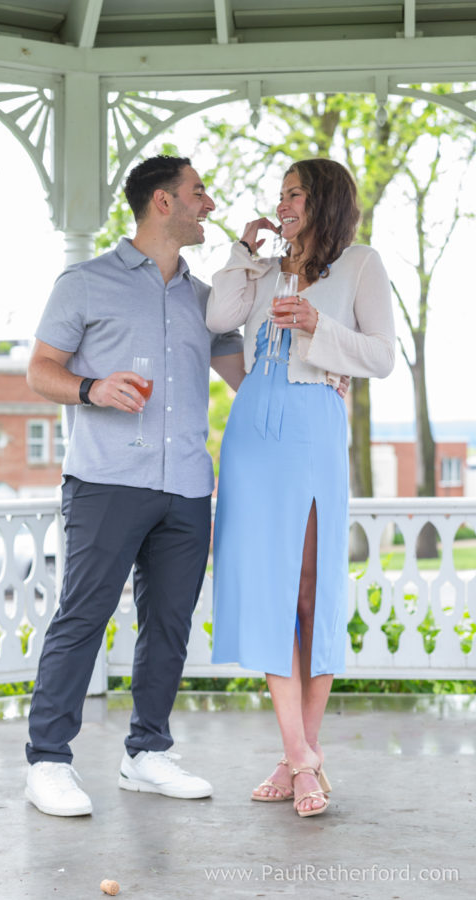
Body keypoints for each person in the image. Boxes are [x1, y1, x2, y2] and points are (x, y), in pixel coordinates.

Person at [24, 155, 245, 817]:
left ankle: (146, 753)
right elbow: (39, 371)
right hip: (106, 483)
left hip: (185, 487)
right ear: (162, 202)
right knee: (82, 618)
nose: (208, 203)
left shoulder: (206, 301)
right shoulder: (85, 283)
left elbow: (247, 378)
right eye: (198, 192)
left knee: (169, 625)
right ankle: (49, 761)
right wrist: (92, 388)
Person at [206, 158, 395, 818]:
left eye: (293, 193)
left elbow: (383, 356)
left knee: (310, 588)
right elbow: (216, 318)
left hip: (315, 423)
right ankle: (302, 757)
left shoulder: (362, 265)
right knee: (268, 588)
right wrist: (241, 250)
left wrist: (320, 329)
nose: (282, 202)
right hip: (254, 427)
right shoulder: (261, 268)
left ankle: (299, 759)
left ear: (322, 201)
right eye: (280, 193)